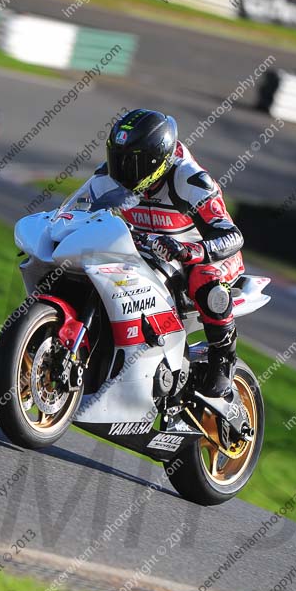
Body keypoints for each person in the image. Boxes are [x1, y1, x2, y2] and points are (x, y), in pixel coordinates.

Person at [101, 108, 244, 398]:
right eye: (119, 159)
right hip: (151, 253)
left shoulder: (189, 180)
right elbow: (77, 209)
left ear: (157, 159)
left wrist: (191, 251)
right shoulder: (109, 177)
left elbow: (232, 235)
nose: (123, 170)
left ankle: (223, 357)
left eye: (133, 163)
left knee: (204, 279)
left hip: (206, 255)